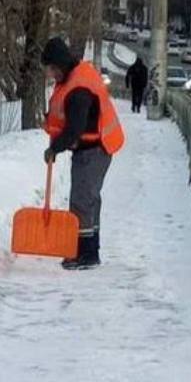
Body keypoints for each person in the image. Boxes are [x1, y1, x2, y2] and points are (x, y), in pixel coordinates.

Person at [41, 37, 125, 269]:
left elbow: (74, 130)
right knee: (90, 198)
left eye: (50, 70)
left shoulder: (78, 89)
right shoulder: (74, 75)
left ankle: (85, 255)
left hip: (95, 149)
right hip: (93, 148)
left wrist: (55, 148)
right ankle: (90, 249)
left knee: (82, 201)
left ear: (58, 65)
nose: (50, 75)